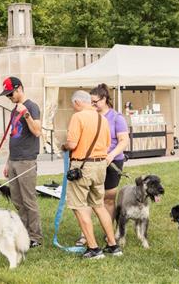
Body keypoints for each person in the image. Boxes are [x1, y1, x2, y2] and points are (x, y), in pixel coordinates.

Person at [63, 90, 122, 259]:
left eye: (73, 105)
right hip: (100, 166)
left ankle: (94, 248)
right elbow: (108, 143)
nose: (74, 108)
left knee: (79, 207)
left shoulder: (78, 117)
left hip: (83, 166)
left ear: (78, 103)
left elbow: (72, 144)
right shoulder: (103, 119)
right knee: (98, 205)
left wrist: (64, 145)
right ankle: (113, 245)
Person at [74, 83, 129, 246]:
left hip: (112, 161)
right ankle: (85, 234)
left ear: (104, 99)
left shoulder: (116, 117)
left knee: (109, 199)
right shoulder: (88, 115)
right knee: (87, 198)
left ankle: (108, 233)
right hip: (92, 162)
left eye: (95, 101)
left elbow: (124, 140)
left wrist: (111, 155)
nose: (92, 104)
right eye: (90, 101)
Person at [0, 76, 43, 248]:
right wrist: (8, 162)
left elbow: (37, 131)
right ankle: (24, 232)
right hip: (14, 160)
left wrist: (25, 114)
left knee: (29, 200)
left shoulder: (31, 107)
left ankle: (35, 237)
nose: (9, 97)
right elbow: (13, 136)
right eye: (7, 95)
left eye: (10, 94)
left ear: (19, 89)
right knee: (17, 200)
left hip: (27, 160)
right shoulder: (13, 110)